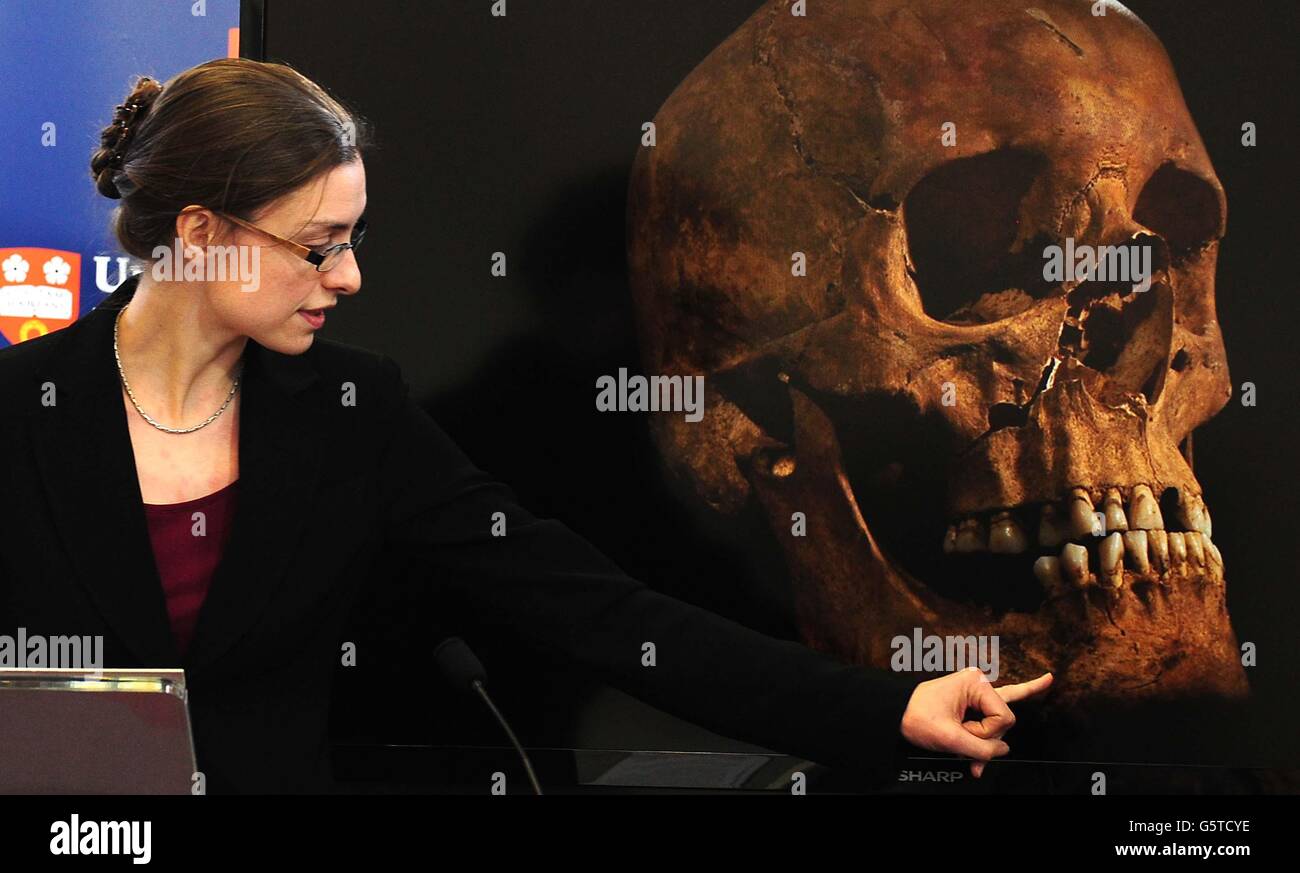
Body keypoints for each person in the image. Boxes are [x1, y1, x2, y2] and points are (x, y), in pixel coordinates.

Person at [0, 58, 1051, 793]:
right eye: (317, 246)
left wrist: (883, 706)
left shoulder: (354, 413)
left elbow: (600, 611)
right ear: (201, 235)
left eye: (354, 238)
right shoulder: (19, 412)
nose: (351, 276)